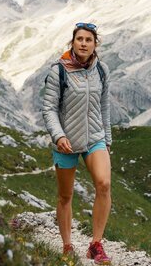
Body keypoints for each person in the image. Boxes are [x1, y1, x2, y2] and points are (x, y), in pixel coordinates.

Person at [42, 22, 112, 265]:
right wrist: (59, 136)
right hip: (67, 142)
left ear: (95, 44)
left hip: (95, 138)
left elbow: (104, 107)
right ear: (73, 42)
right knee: (65, 196)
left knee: (104, 184)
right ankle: (67, 245)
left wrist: (108, 139)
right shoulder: (58, 71)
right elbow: (49, 109)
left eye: (88, 40)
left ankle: (96, 244)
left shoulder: (101, 70)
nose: (83, 43)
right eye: (79, 39)